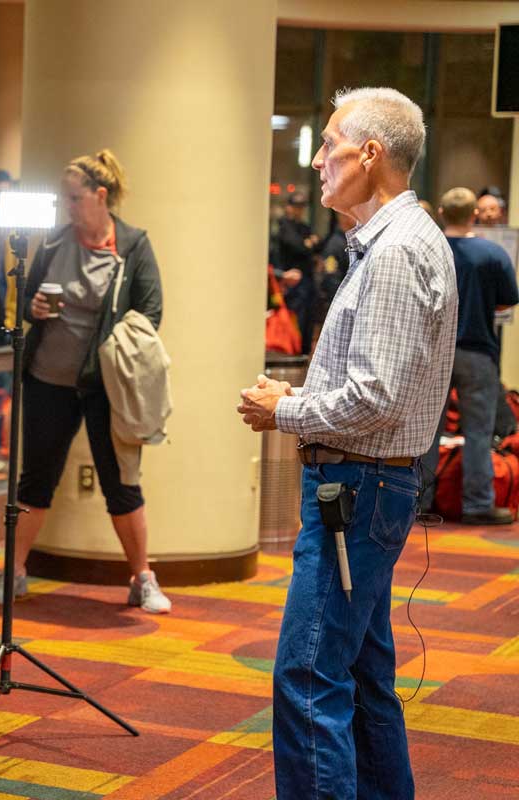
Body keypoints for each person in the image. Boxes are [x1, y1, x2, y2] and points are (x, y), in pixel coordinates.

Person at [238, 87, 456, 799]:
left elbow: (374, 397)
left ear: (370, 154)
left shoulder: (395, 252)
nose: (319, 161)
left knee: (308, 677)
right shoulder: (398, 240)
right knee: (361, 675)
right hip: (370, 487)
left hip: (356, 490)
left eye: (329, 143)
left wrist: (287, 409)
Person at [0, 149, 171, 615]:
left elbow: (150, 311)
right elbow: (25, 299)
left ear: (100, 195)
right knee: (36, 479)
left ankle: (142, 577)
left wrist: (110, 340)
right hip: (49, 379)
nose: (66, 207)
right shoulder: (51, 244)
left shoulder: (132, 245)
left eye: (73, 198)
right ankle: (14, 572)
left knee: (121, 482)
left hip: (108, 386)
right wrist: (34, 310)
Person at [419, 187, 519, 524]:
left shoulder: (428, 251)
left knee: (428, 429)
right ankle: (478, 505)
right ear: (474, 214)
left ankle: (419, 502)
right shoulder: (492, 254)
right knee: (478, 429)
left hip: (435, 351)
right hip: (478, 350)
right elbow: (506, 302)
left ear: (442, 214)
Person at [274, 192, 320, 353]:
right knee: (295, 319)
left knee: (308, 319)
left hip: (306, 280)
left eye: (301, 207)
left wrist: (308, 245)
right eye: (296, 206)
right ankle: (294, 350)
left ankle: (303, 351)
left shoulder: (303, 227)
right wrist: (307, 244)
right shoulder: (284, 226)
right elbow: (299, 247)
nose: (299, 210)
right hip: (291, 282)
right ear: (289, 207)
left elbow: (315, 245)